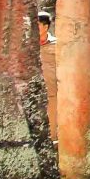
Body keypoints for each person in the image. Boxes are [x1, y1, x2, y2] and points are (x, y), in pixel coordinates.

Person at [38, 11, 58, 140]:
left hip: (51, 91)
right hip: (35, 89)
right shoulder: (28, 44)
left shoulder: (56, 44)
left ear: (45, 27)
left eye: (38, 25)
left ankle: (53, 140)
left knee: (52, 119)